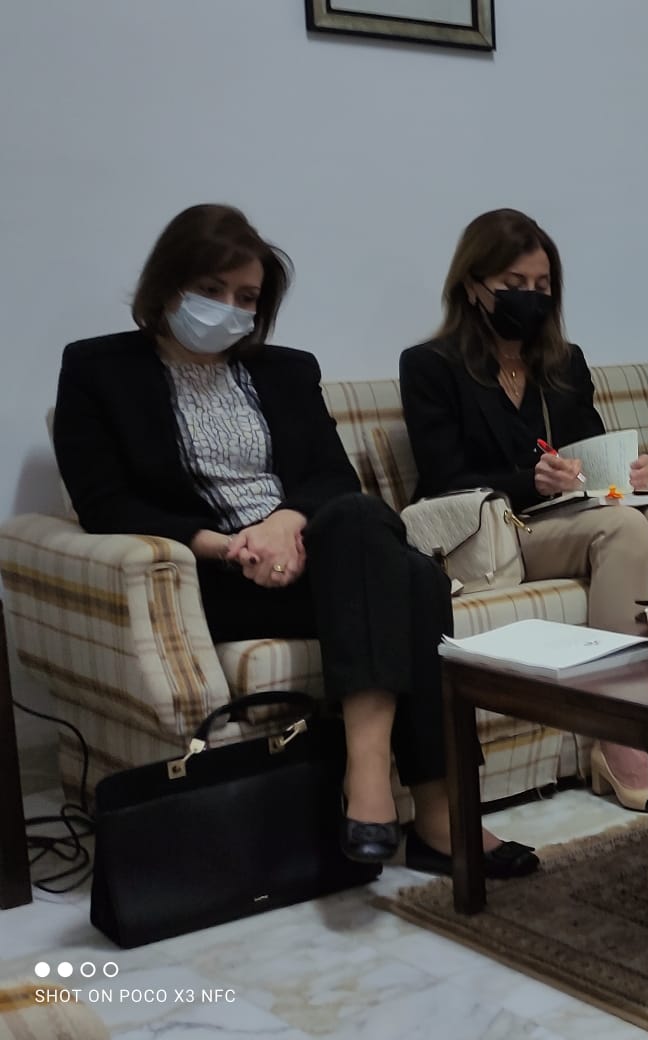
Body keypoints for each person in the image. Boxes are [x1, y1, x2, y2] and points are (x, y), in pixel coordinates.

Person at [51, 204, 537, 878]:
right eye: (212, 290)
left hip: (313, 555)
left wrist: (285, 522)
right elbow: (105, 502)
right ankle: (435, 815)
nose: (229, 308)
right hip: (219, 574)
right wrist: (225, 545)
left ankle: (370, 778)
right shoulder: (98, 369)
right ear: (167, 285)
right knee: (414, 580)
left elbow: (332, 478)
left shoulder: (285, 370)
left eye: (246, 297)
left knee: (365, 523)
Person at [399, 208, 648, 812]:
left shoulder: (564, 361)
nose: (531, 297)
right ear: (473, 285)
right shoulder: (431, 365)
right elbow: (443, 478)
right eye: (514, 284)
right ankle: (617, 732)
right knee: (623, 529)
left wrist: (626, 472)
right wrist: (531, 481)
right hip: (494, 529)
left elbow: (591, 452)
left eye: (542, 286)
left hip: (570, 515)